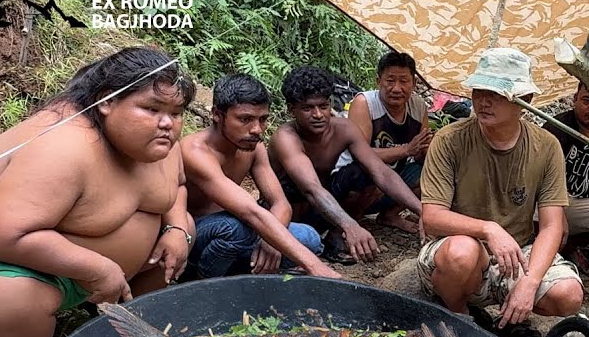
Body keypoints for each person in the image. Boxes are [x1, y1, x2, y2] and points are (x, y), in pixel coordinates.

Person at [0, 46, 196, 337]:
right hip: (15, 263)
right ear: (107, 101)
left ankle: (127, 334)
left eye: (176, 113)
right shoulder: (63, 146)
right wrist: (99, 267)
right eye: (151, 108)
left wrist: (177, 228)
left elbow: (176, 188)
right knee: (3, 300)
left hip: (106, 275)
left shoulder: (161, 143)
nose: (167, 124)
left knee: (186, 226)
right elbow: (0, 236)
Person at [418, 47, 584, 337]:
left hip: (517, 253)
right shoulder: (450, 140)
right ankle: (461, 317)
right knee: (461, 253)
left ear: (525, 100)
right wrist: (488, 228)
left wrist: (531, 281)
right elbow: (431, 217)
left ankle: (507, 319)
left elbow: (552, 225)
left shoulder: (545, 146)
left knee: (568, 295)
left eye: (496, 93)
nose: (483, 101)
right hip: (461, 251)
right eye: (479, 90)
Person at [180, 73, 339, 279]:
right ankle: (201, 282)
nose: (256, 129)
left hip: (240, 230)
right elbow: (250, 212)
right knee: (235, 229)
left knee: (309, 238)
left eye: (262, 119)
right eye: (244, 119)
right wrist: (314, 265)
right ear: (217, 115)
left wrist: (271, 241)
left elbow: (281, 204)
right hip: (197, 237)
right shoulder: (195, 151)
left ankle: (241, 273)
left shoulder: (254, 147)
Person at [269, 66, 422, 263]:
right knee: (308, 240)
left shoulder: (343, 129)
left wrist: (421, 210)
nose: (318, 114)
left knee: (361, 172)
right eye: (308, 108)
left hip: (324, 207)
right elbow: (311, 189)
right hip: (289, 214)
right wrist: (349, 225)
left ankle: (335, 237)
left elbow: (381, 172)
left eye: (323, 106)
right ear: (292, 109)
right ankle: (333, 234)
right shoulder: (285, 138)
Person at [332, 51, 431, 230]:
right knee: (371, 176)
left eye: (404, 81)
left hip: (394, 178)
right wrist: (407, 149)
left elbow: (421, 152)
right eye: (390, 80)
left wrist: (428, 152)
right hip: (356, 181)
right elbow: (360, 154)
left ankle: (389, 215)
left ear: (414, 83)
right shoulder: (364, 103)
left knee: (434, 173)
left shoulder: (418, 106)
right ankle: (350, 224)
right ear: (379, 81)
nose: (396, 88)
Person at [544, 81, 589, 257]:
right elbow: (537, 181)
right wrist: (558, 212)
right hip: (552, 201)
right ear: (574, 99)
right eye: (586, 101)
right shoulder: (556, 129)